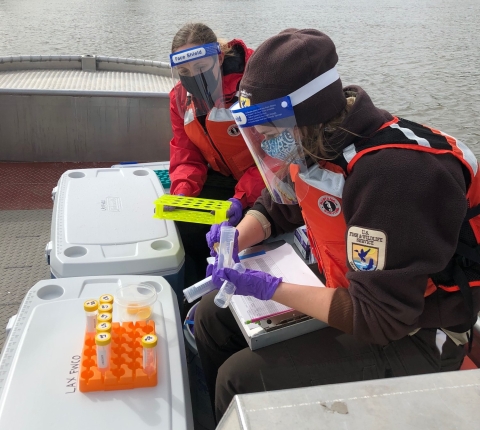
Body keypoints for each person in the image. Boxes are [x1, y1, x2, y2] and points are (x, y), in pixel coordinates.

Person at [195, 28, 480, 422]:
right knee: (212, 316)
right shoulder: (316, 140)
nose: (267, 144)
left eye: (271, 133)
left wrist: (270, 287)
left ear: (304, 116)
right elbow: (281, 204)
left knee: (238, 379)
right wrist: (239, 234)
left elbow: (378, 317)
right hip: (354, 286)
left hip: (417, 330)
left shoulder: (393, 177)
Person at [168, 23, 265, 288]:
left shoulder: (253, 88)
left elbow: (273, 156)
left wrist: (240, 198)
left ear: (219, 57)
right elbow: (185, 151)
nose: (193, 78)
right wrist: (183, 193)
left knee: (240, 235)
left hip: (262, 180)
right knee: (183, 225)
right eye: (184, 72)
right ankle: (196, 287)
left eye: (200, 68)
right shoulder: (179, 98)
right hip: (222, 176)